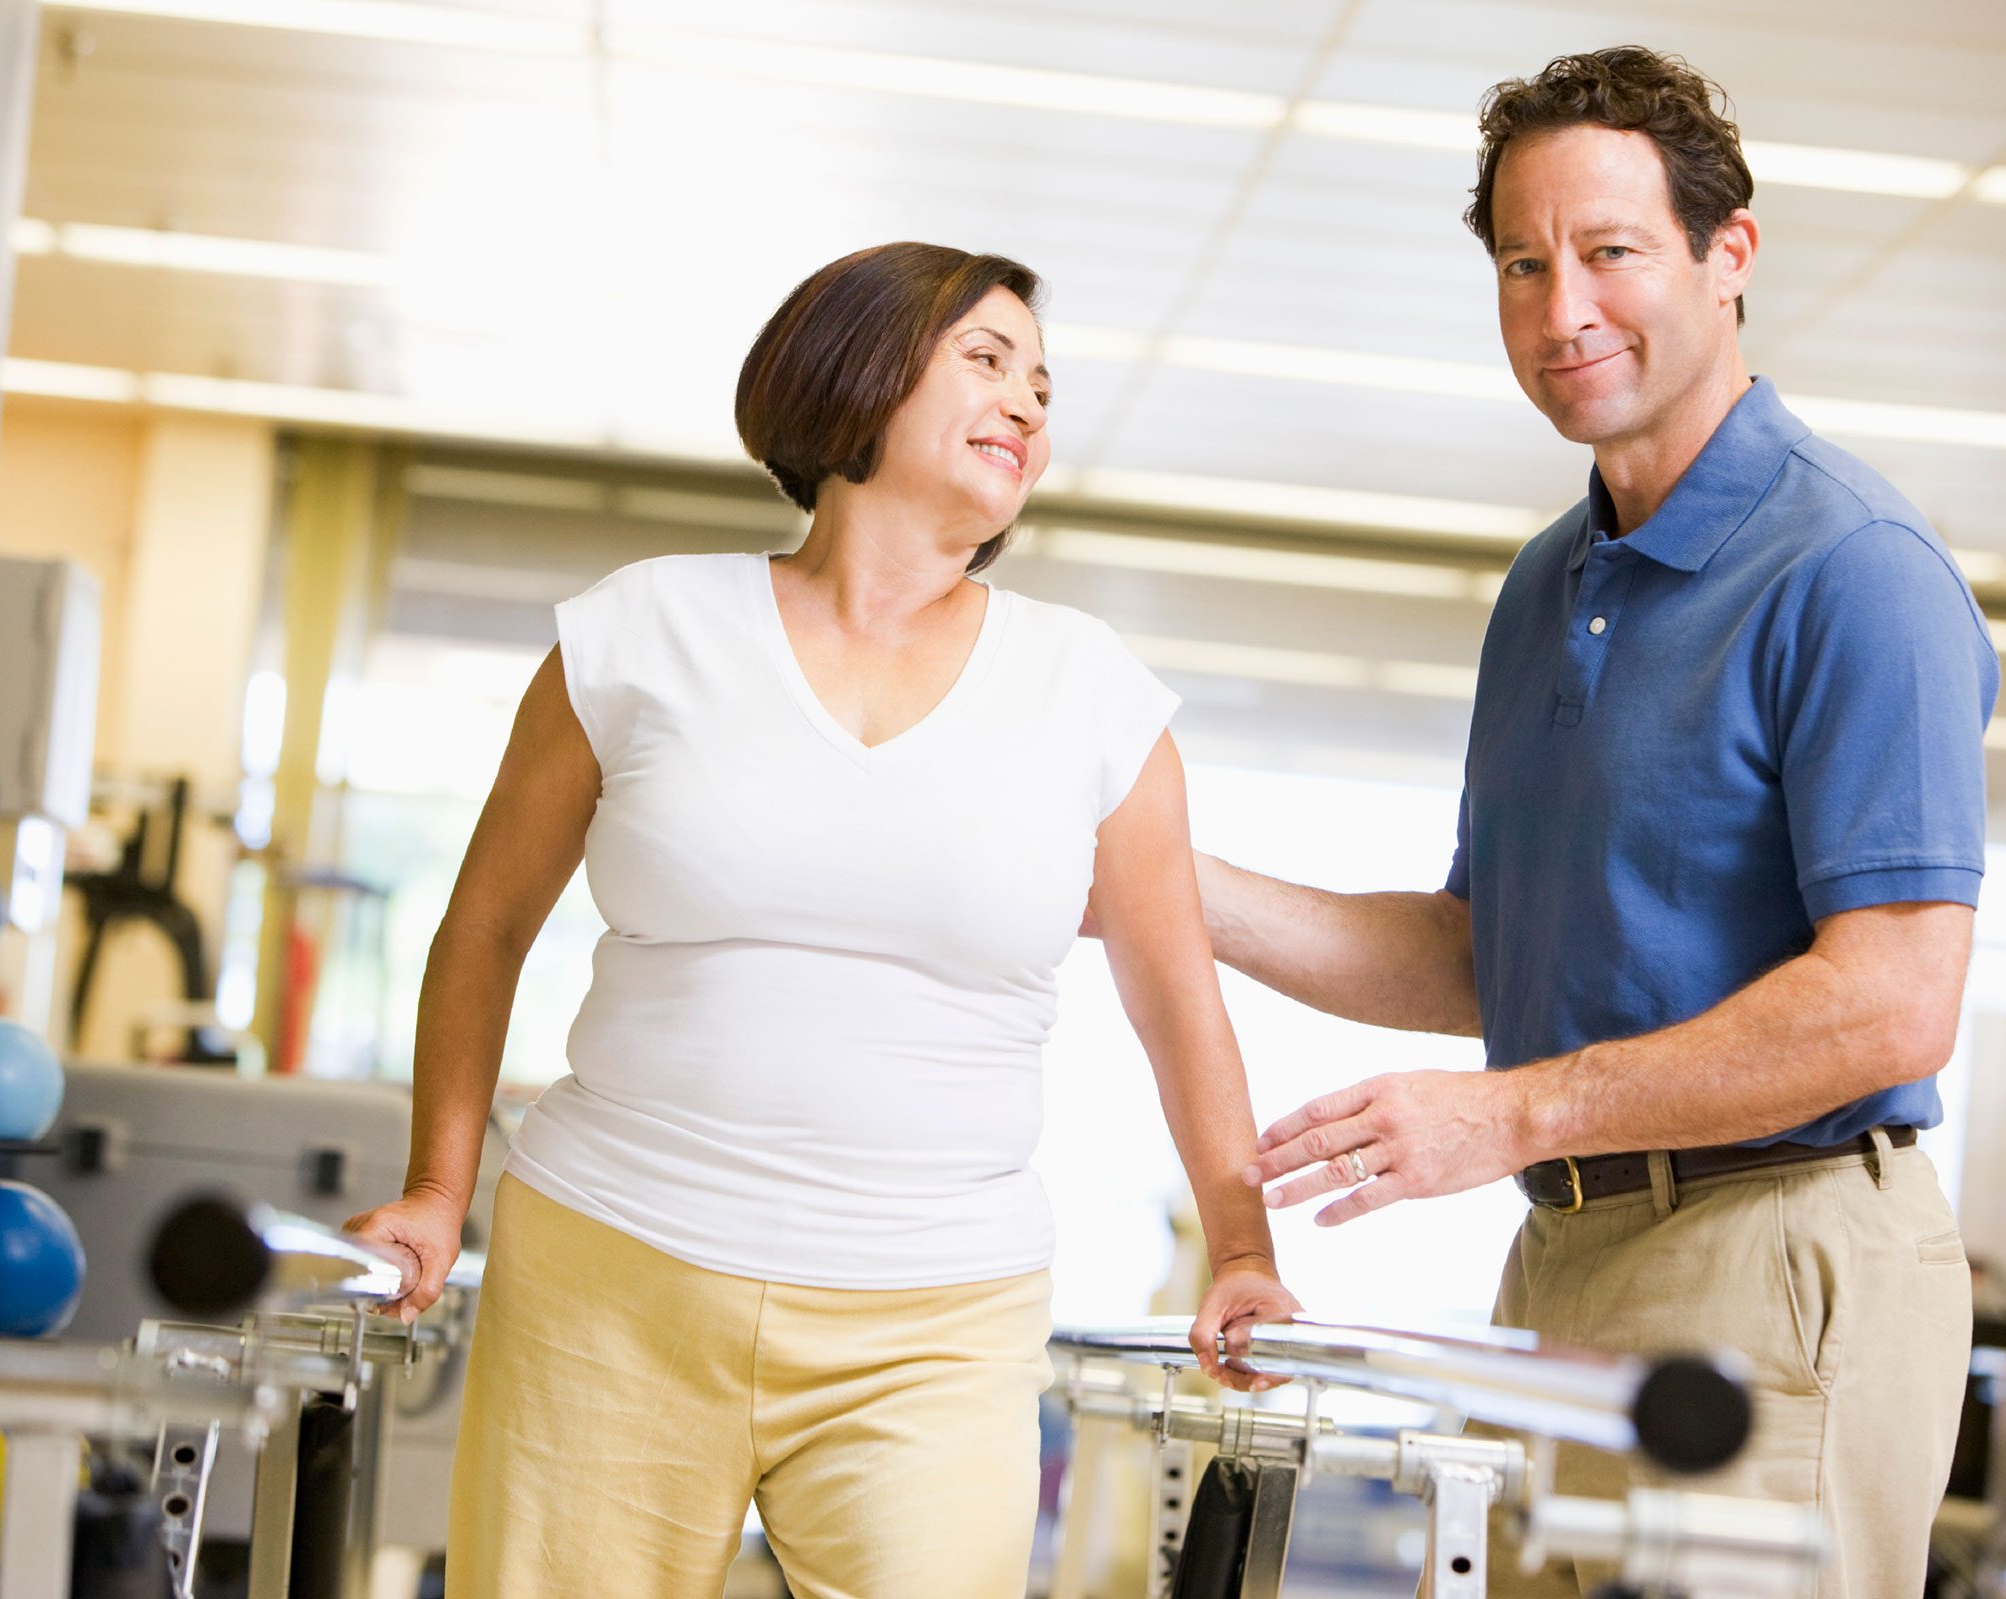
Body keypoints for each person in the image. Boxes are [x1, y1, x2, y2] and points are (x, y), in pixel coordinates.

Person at [345, 241, 1299, 1599]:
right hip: (611, 1273)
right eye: (987, 360)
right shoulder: (639, 634)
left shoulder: (1092, 697)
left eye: (1044, 384)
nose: (1028, 403)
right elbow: (485, 926)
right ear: (859, 371)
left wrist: (1247, 1248)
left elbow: (1174, 996)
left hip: (935, 1319)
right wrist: (440, 1189)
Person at [1190, 49, 1997, 1597]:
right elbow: (1490, 955)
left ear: (1729, 254)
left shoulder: (1857, 569)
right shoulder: (1548, 586)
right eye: (1522, 262)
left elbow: (1898, 994)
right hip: (1567, 1256)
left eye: (1612, 252)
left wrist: (1505, 1116)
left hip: (1776, 1241)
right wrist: (1162, 883)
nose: (1563, 309)